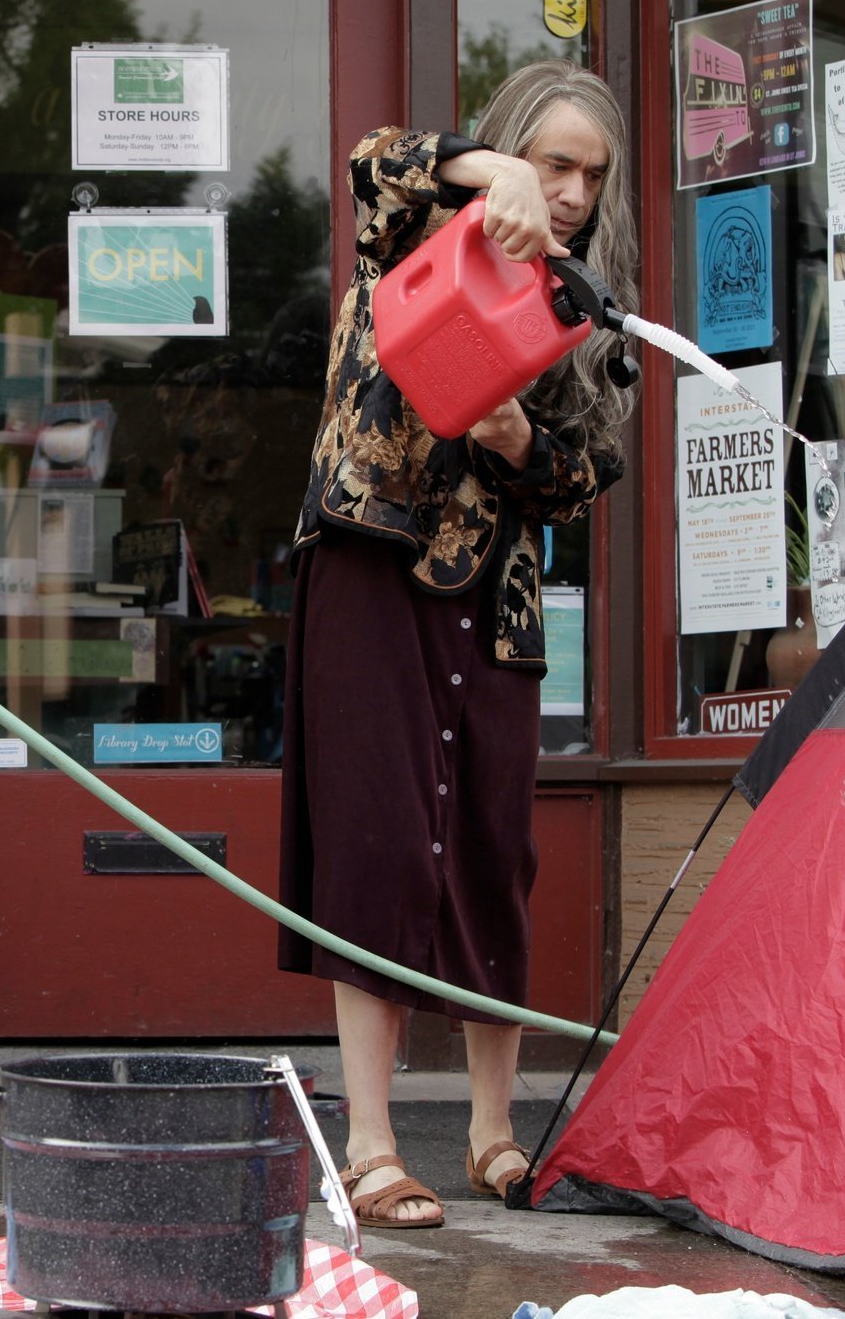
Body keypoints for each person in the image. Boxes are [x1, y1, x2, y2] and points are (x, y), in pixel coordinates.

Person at [277, 60, 636, 1230]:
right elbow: (368, 155)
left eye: (592, 172)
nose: (572, 191)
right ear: (513, 151)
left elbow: (589, 474)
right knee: (375, 839)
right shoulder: (414, 223)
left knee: (489, 850)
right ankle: (370, 1142)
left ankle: (491, 1131)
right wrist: (485, 179)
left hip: (496, 597)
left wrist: (523, 437)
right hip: (367, 567)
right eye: (555, 162)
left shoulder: (590, 302)